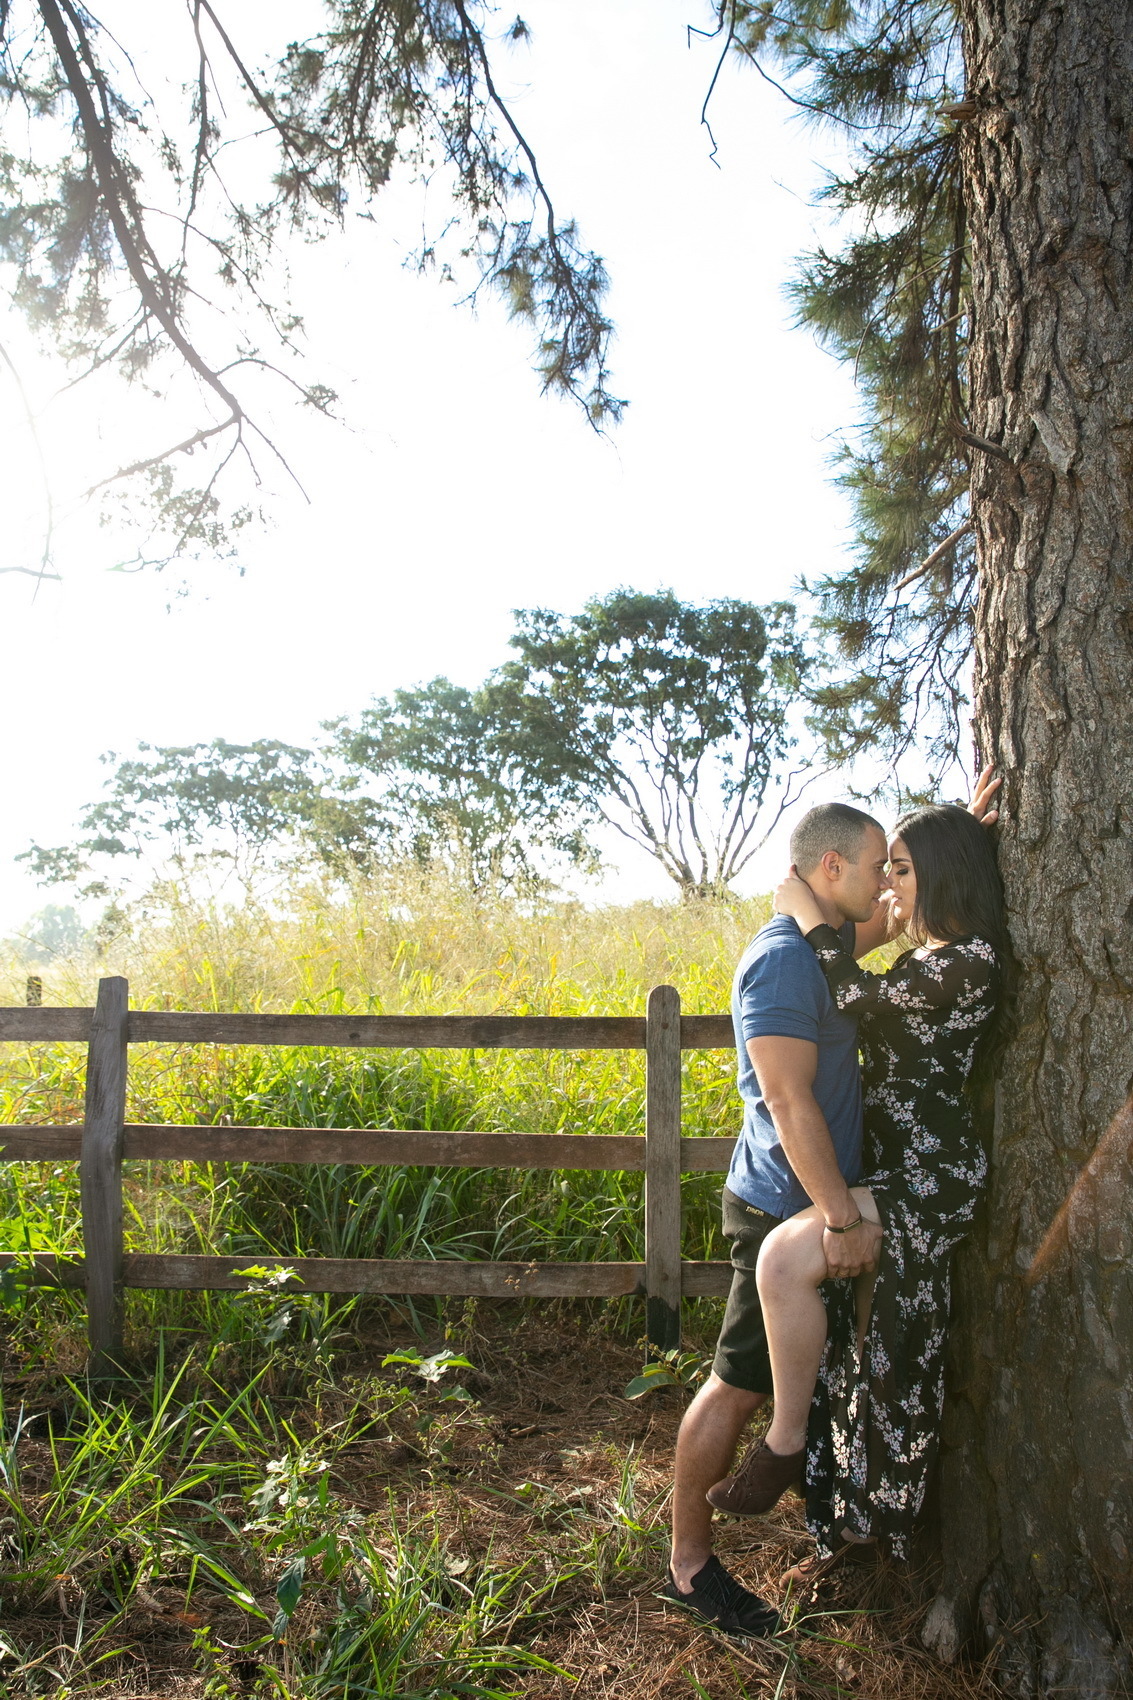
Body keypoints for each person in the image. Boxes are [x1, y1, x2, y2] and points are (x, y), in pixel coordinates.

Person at [715, 802, 1007, 1583]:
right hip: (889, 1166)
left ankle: (785, 1447)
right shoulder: (933, 951)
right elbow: (866, 939)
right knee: (865, 1354)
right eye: (885, 868)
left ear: (937, 874)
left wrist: (806, 914)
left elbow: (854, 995)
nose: (886, 887)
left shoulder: (971, 960)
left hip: (928, 1174)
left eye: (900, 871)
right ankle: (842, 1521)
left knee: (786, 1262)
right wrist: (957, 824)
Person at [660, 800, 891, 1636]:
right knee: (738, 1385)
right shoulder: (784, 962)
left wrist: (959, 840)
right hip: (783, 1212)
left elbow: (895, 915)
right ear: (830, 868)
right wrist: (839, 1218)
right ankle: (688, 1565)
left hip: (815, 1206)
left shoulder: (826, 944)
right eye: (875, 865)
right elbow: (787, 1100)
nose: (884, 881)